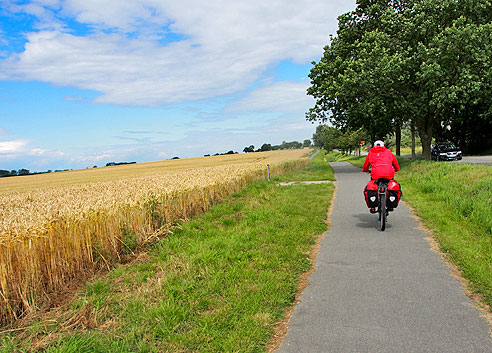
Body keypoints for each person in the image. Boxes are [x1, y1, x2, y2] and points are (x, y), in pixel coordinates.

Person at [362, 140, 400, 213]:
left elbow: (366, 164)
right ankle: (390, 205)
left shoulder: (371, 152)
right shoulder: (388, 152)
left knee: (373, 186)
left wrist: (365, 170)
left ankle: (373, 206)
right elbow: (395, 162)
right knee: (390, 185)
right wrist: (397, 169)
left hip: (375, 174)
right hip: (389, 174)